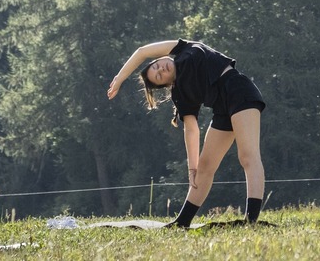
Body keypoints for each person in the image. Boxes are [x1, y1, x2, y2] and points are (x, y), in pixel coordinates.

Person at [107, 39, 266, 228]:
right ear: (166, 83)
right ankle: (182, 223)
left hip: (238, 90)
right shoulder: (180, 94)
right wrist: (192, 169)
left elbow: (142, 52)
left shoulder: (184, 48)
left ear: (161, 58)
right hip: (221, 108)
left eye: (157, 66)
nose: (161, 70)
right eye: (159, 76)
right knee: (204, 167)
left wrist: (119, 79)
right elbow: (191, 129)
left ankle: (251, 221)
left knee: (247, 156)